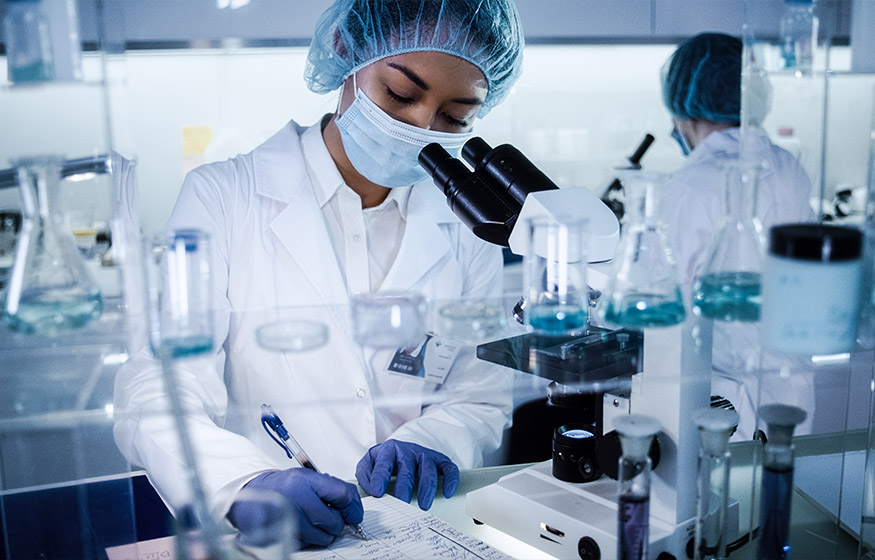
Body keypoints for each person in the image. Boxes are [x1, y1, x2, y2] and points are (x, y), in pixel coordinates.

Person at [113, 0, 524, 548]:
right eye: (400, 94)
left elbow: (479, 393)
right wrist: (243, 484)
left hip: (413, 533)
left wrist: (432, 442)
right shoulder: (225, 196)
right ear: (345, 52)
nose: (421, 126)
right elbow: (159, 385)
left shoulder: (466, 226)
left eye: (455, 117)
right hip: (271, 540)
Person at [659, 32, 816, 440]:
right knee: (780, 496)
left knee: (720, 499)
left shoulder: (693, 182)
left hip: (721, 392)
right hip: (790, 383)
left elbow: (667, 296)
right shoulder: (787, 166)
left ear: (682, 109)